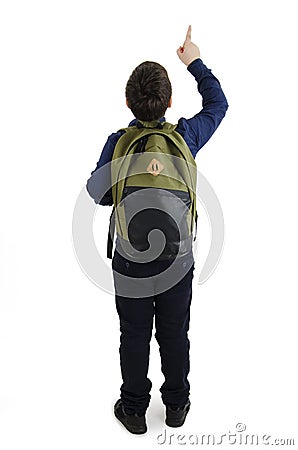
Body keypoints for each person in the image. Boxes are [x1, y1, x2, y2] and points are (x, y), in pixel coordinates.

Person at [86, 26, 228, 434]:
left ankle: (133, 412)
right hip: (177, 261)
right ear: (169, 101)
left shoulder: (118, 142)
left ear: (128, 102)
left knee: (133, 334)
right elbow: (218, 104)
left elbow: (99, 196)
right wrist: (193, 61)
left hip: (130, 261)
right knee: (174, 333)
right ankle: (177, 406)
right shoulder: (186, 136)